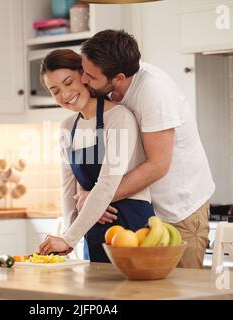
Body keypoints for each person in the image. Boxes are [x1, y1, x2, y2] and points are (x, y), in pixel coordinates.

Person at [76, 30, 215, 269]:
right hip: (141, 210)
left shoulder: (153, 92)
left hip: (178, 211)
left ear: (118, 77)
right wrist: (84, 195)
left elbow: (157, 165)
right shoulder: (104, 89)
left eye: (90, 76)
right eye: (82, 71)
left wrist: (96, 200)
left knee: (181, 294)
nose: (83, 80)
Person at [37, 49, 154, 262]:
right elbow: (67, 188)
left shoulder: (119, 117)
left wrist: (69, 238)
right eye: (55, 91)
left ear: (83, 76)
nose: (65, 95)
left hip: (130, 225)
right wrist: (69, 235)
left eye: (68, 82)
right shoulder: (67, 127)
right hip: (92, 227)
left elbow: (108, 183)